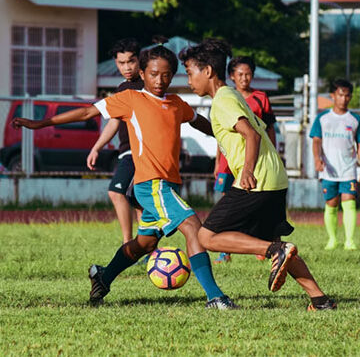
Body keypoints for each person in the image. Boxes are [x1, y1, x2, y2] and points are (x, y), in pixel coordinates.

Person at [12, 43, 237, 310]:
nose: (159, 80)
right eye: (153, 73)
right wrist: (40, 124)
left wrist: (223, 133)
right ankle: (215, 297)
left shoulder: (176, 103)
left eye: (165, 75)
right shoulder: (131, 100)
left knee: (144, 243)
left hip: (169, 185)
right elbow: (86, 112)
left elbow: (196, 120)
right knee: (193, 227)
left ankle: (103, 276)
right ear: (142, 73)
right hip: (151, 185)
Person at [179, 38, 336, 311]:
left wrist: (248, 170)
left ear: (208, 72)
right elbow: (239, 130)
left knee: (206, 237)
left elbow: (250, 134)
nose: (188, 79)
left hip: (256, 180)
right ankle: (319, 300)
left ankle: (274, 252)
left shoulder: (223, 101)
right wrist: (193, 120)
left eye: (190, 72)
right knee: (279, 245)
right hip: (275, 178)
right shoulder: (233, 96)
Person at [213, 55, 277, 264]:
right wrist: (217, 162)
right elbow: (221, 134)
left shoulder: (260, 98)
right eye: (240, 74)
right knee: (225, 202)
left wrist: (273, 154)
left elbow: (268, 129)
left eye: (248, 74)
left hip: (252, 160)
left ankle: (260, 243)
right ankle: (225, 250)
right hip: (228, 161)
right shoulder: (226, 98)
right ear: (232, 76)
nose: (244, 78)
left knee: (255, 202)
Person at [86, 38, 143, 244]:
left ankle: (131, 245)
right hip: (127, 151)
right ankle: (136, 246)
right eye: (121, 63)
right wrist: (96, 148)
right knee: (133, 198)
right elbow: (113, 122)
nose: (126, 67)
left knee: (121, 193)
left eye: (131, 61)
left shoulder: (149, 86)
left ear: (139, 60)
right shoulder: (122, 88)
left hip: (143, 152)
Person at [309, 78, 360, 251]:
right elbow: (316, 141)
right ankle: (332, 240)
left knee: (349, 202)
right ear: (333, 96)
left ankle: (349, 241)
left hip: (349, 169)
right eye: (340, 95)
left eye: (347, 95)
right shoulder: (323, 118)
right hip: (329, 170)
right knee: (331, 204)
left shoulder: (355, 120)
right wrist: (317, 159)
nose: (344, 99)